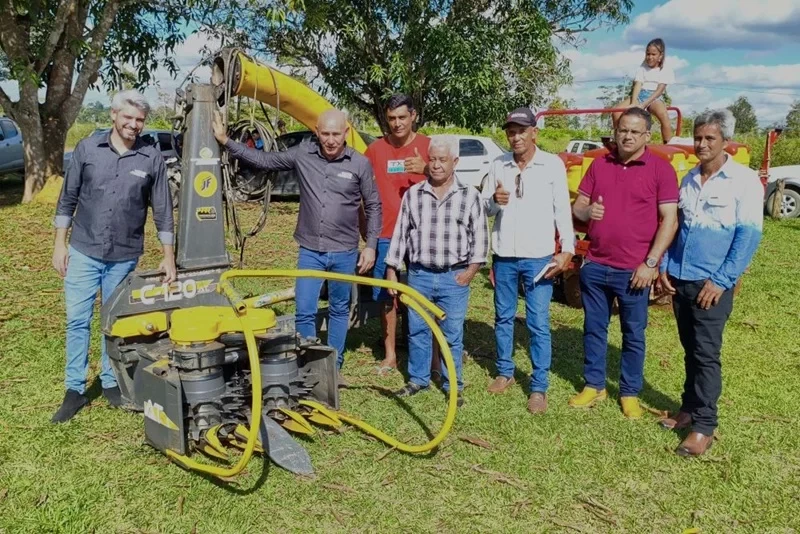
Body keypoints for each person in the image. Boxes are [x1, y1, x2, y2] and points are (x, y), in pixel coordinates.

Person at [213, 109, 381, 377]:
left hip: (344, 251)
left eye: (336, 134)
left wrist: (370, 245)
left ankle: (333, 364)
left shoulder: (360, 163)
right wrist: (226, 141)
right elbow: (265, 160)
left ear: (346, 133)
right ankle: (308, 362)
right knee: (304, 310)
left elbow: (373, 205)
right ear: (317, 132)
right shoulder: (303, 154)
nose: (330, 140)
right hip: (311, 250)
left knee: (339, 309)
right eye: (325, 134)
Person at [51, 89, 176, 423]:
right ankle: (74, 389)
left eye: (140, 120)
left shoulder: (151, 157)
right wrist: (60, 244)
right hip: (83, 250)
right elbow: (67, 199)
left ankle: (111, 381)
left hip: (124, 255)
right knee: (77, 320)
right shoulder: (88, 149)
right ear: (114, 115)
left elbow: (163, 210)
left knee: (114, 322)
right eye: (128, 117)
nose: (133, 125)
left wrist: (168, 256)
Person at [657, 109, 763, 456]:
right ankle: (688, 408)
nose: (702, 144)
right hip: (681, 278)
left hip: (711, 284)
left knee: (706, 354)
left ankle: (704, 426)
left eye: (709, 138)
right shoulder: (688, 179)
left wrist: (721, 281)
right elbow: (677, 227)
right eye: (698, 138)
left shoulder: (744, 181)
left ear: (726, 141)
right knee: (690, 348)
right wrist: (665, 265)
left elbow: (748, 237)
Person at [571, 107, 679, 419]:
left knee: (633, 334)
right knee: (593, 328)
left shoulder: (660, 170)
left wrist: (651, 262)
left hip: (635, 270)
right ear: (616, 133)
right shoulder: (599, 164)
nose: (627, 136)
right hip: (596, 264)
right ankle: (594, 385)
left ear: (647, 135)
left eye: (634, 131)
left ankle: (629, 392)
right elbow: (578, 207)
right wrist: (587, 212)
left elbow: (670, 220)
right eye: (623, 131)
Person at [481, 107, 575, 414]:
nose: (516, 137)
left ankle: (538, 386)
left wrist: (567, 249)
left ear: (534, 132)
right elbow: (484, 207)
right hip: (505, 255)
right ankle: (505, 371)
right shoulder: (499, 164)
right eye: (511, 132)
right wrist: (493, 201)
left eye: (522, 131)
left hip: (539, 257)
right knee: (503, 316)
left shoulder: (551, 165)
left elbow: (562, 209)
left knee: (537, 321)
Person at [385, 135, 488, 407]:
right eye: (432, 159)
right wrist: (392, 269)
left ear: (455, 162)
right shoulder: (414, 195)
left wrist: (469, 273)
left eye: (443, 160)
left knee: (451, 334)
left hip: (454, 277)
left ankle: (452, 384)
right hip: (419, 275)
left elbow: (480, 240)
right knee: (417, 330)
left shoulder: (470, 196)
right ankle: (418, 379)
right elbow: (400, 235)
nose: (437, 165)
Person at [364, 94, 429, 375]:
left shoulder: (428, 146)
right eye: (391, 118)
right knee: (386, 295)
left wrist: (426, 169)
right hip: (385, 234)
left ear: (413, 115)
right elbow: (361, 190)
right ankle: (390, 353)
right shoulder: (375, 150)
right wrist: (366, 230)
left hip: (422, 235)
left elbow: (451, 182)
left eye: (402, 117)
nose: (397, 123)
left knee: (418, 293)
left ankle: (421, 351)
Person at [612, 38, 674, 143]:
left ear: (660, 56)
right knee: (616, 112)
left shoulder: (666, 69)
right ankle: (618, 140)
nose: (650, 57)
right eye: (648, 54)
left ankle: (668, 143)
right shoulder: (643, 66)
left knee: (663, 115)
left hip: (654, 97)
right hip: (640, 94)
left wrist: (643, 105)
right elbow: (638, 84)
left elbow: (659, 90)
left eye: (653, 54)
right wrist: (634, 102)